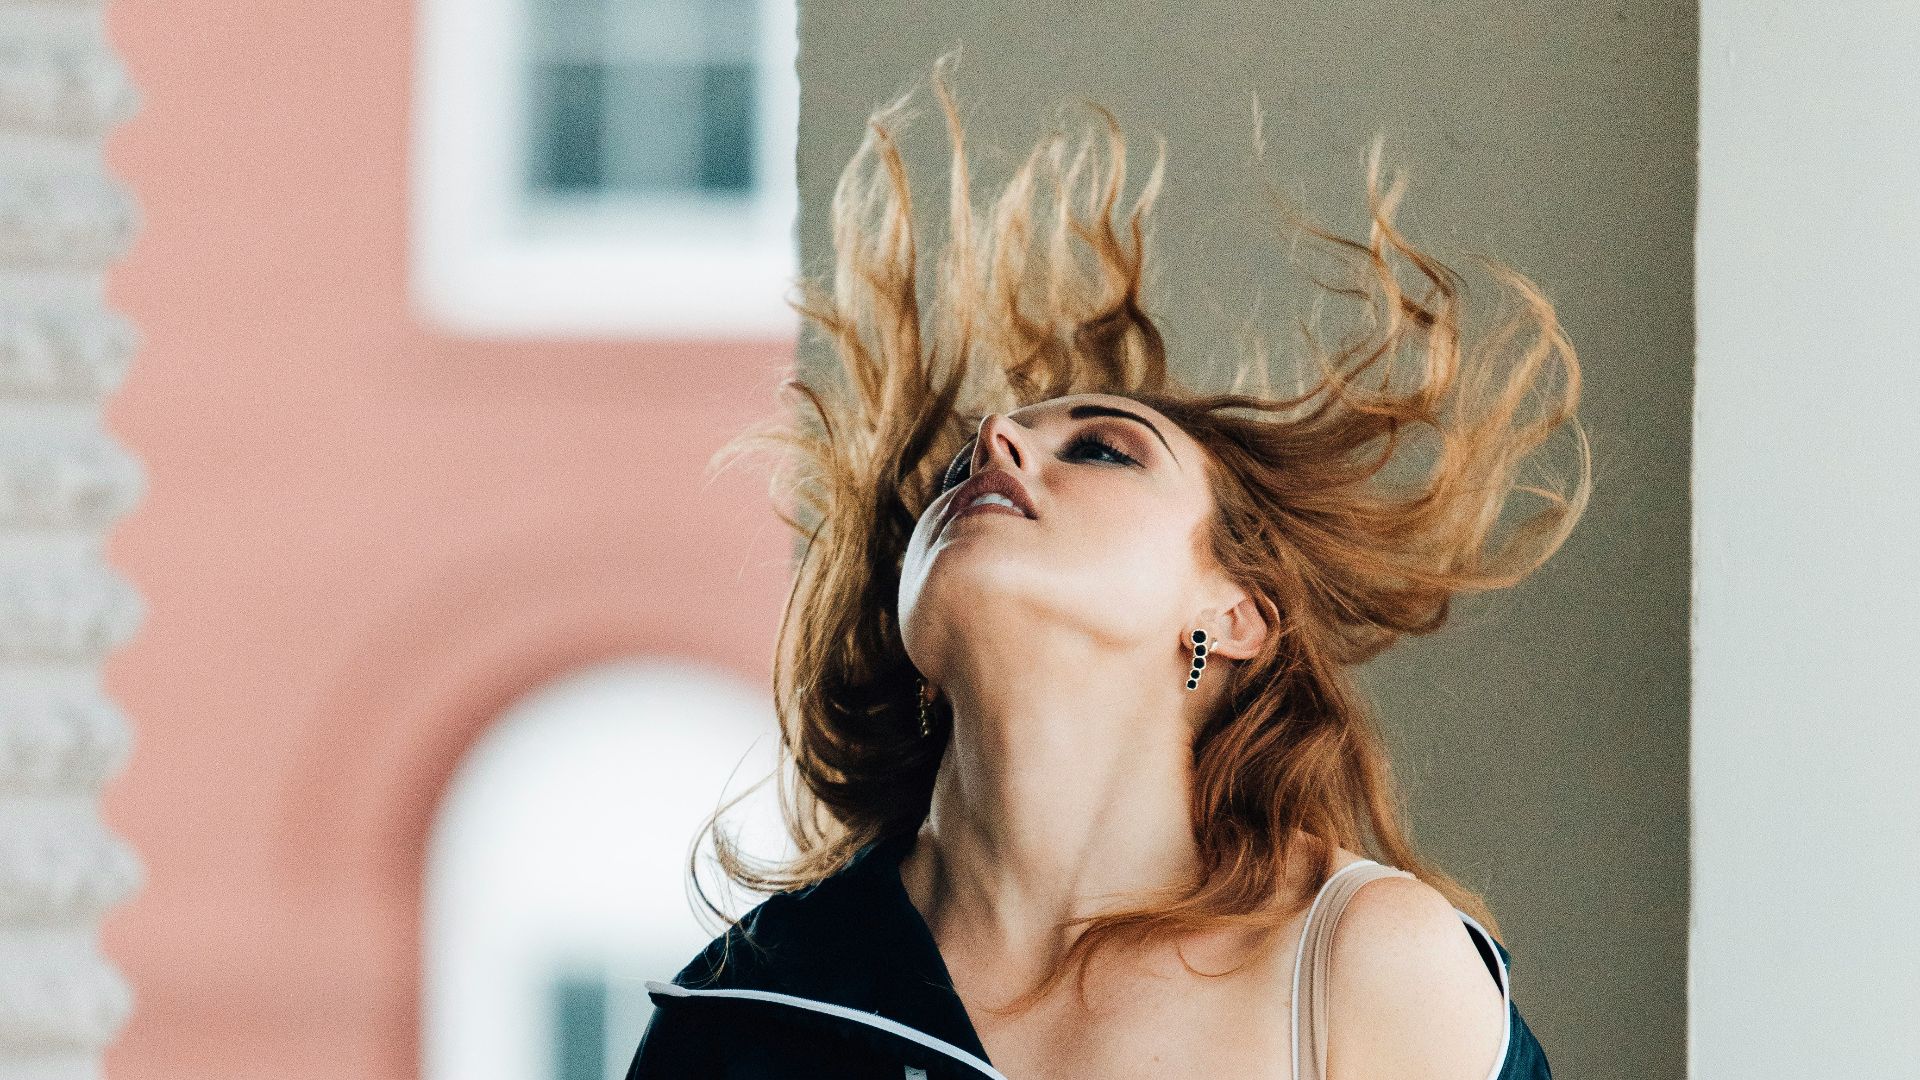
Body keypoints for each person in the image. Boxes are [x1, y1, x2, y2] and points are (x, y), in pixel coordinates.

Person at [628, 47, 1585, 1080]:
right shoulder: (748, 1013)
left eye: (1100, 449)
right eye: (964, 461)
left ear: (1236, 615)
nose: (996, 447)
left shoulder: (1358, 962)